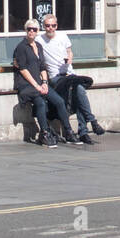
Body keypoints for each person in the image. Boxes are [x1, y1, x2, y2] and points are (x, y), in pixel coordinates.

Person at [37, 14, 105, 144]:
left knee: (79, 91)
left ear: (56, 26)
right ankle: (92, 121)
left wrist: (70, 58)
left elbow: (69, 51)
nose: (50, 28)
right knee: (78, 89)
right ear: (43, 26)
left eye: (53, 25)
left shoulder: (63, 36)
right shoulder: (40, 40)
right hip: (56, 78)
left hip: (69, 73)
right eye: (47, 26)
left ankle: (84, 132)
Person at [13, 19, 74, 147]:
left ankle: (68, 131)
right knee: (40, 103)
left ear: (37, 32)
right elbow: (23, 70)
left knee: (59, 101)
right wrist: (37, 86)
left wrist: (45, 83)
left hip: (40, 84)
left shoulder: (38, 46)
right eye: (29, 29)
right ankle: (45, 133)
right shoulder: (21, 47)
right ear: (26, 30)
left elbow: (42, 68)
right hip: (27, 85)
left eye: (34, 29)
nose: (31, 31)